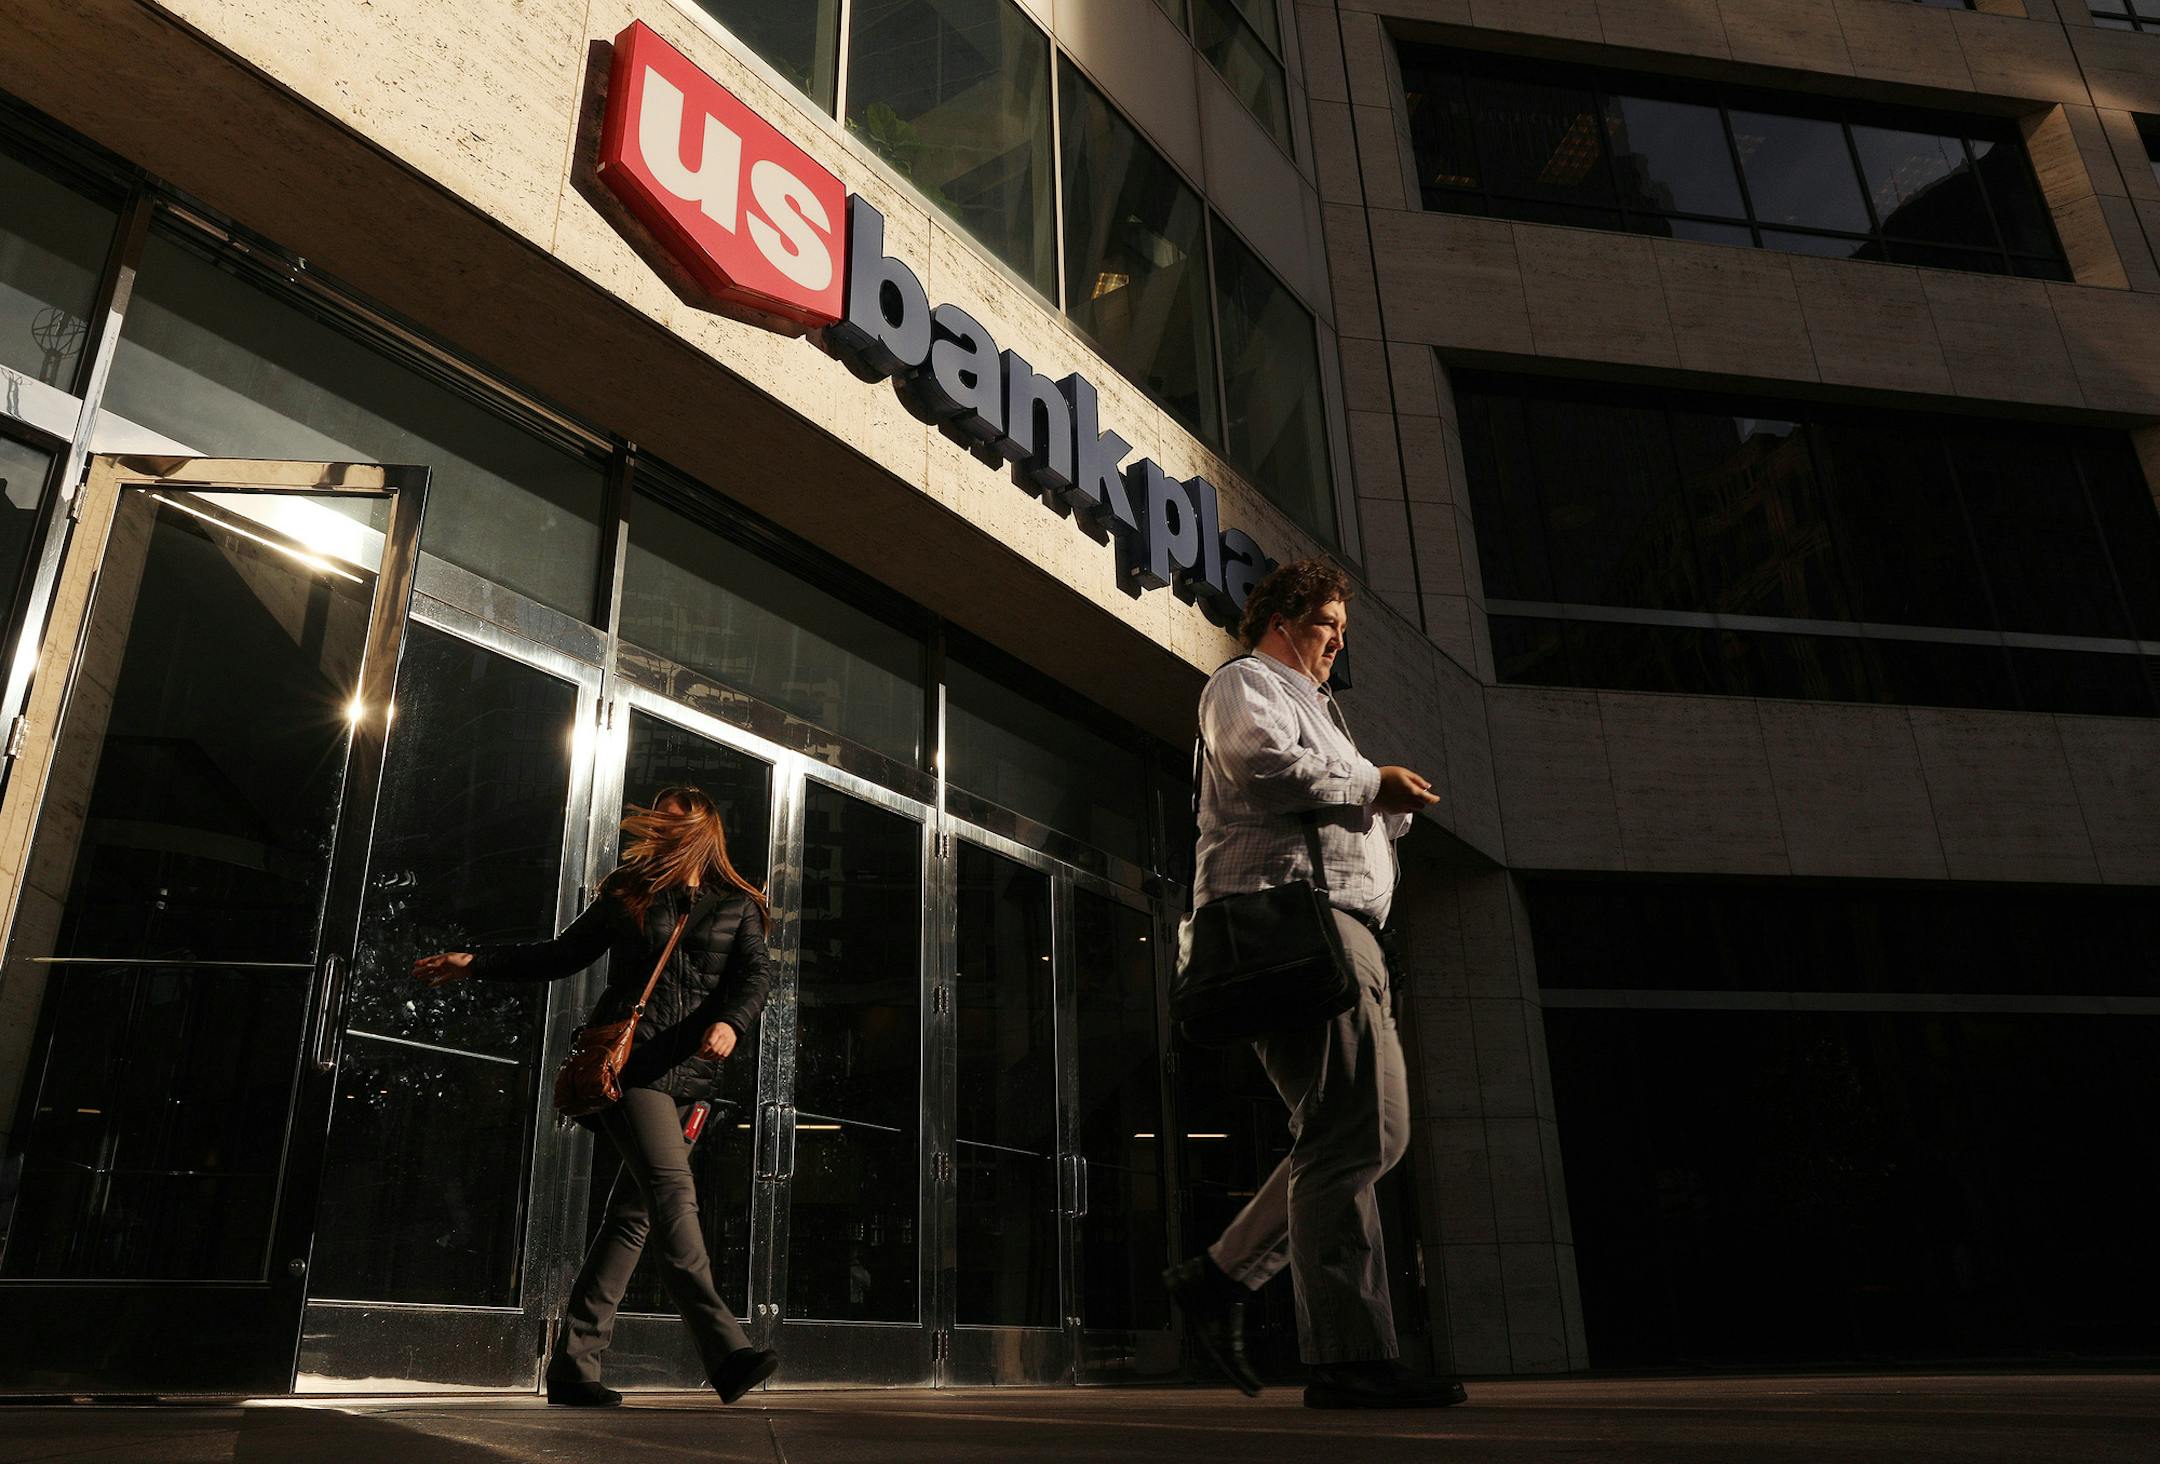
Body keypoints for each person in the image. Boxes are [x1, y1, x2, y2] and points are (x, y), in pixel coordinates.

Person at [1164, 558, 1466, 1411]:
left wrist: (1385, 801)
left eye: (1340, 629)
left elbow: (1340, 801)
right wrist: (1374, 782)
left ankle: (1220, 1276)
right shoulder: (1246, 683)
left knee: (1369, 1131)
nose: (1338, 641)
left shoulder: (1321, 709)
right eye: (1329, 623)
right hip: (1297, 927)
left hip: (1340, 935)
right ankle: (1347, 1356)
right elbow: (1262, 767)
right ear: (1284, 619)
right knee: (1352, 1135)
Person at [412, 786, 778, 1408]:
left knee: (633, 1220)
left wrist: (733, 1023)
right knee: (671, 1195)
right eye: (659, 815)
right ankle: (726, 1351)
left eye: (676, 818)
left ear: (704, 830)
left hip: (691, 1078)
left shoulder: (739, 905)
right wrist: (476, 961)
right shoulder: (628, 893)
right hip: (629, 1069)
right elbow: (561, 955)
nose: (663, 825)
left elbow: (754, 977)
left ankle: (574, 1368)